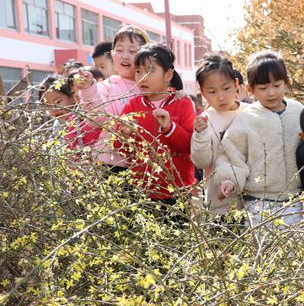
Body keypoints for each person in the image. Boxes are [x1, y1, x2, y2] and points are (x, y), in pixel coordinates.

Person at [215, 51, 304, 226]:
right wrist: (230, 180)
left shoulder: (298, 111)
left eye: (276, 85)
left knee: (294, 250)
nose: (271, 93)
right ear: (250, 89)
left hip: (293, 200)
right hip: (257, 202)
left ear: (286, 82)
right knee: (261, 249)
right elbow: (232, 153)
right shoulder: (247, 118)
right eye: (263, 88)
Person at [114, 43, 195, 204]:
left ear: (168, 75)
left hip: (177, 189)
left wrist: (170, 127)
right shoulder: (133, 106)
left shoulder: (182, 103)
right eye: (138, 71)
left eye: (150, 71)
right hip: (142, 190)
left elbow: (190, 146)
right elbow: (120, 149)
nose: (142, 77)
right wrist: (124, 134)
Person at [74, 25, 150, 172]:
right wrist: (88, 88)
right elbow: (95, 119)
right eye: (119, 50)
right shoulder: (106, 87)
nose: (125, 56)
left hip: (147, 166)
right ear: (112, 54)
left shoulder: (151, 85)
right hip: (111, 165)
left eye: (133, 51)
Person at [191, 53, 248, 213]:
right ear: (203, 93)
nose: (221, 97)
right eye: (212, 91)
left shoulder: (250, 113)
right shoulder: (205, 121)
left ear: (236, 84)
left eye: (226, 88)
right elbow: (201, 162)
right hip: (218, 202)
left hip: (251, 200)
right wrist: (200, 134)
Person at [38, 75, 102, 152]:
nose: (54, 109)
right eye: (48, 106)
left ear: (71, 97)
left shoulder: (85, 119)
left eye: (58, 102)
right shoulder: (57, 125)